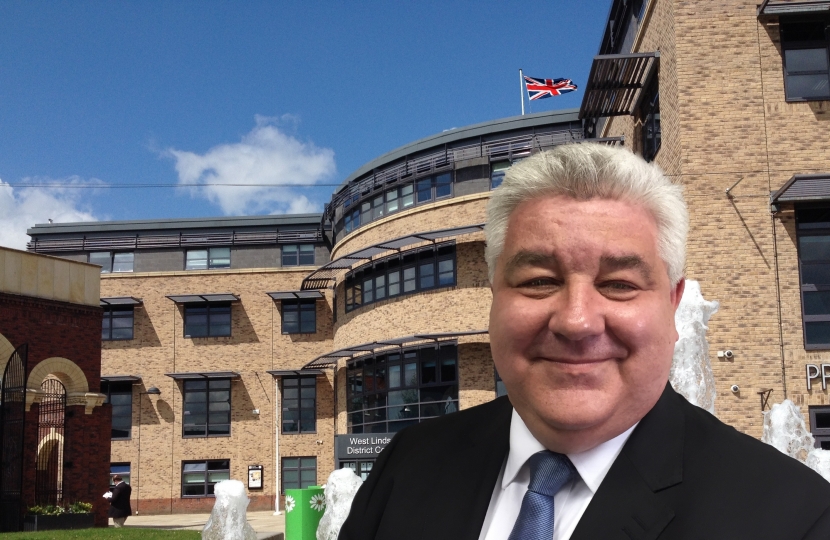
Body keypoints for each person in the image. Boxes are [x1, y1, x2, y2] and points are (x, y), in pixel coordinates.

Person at [338, 143, 830, 540]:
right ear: (495, 296)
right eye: (538, 281)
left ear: (674, 304)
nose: (576, 321)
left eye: (619, 285)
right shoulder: (409, 465)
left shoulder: (793, 515)